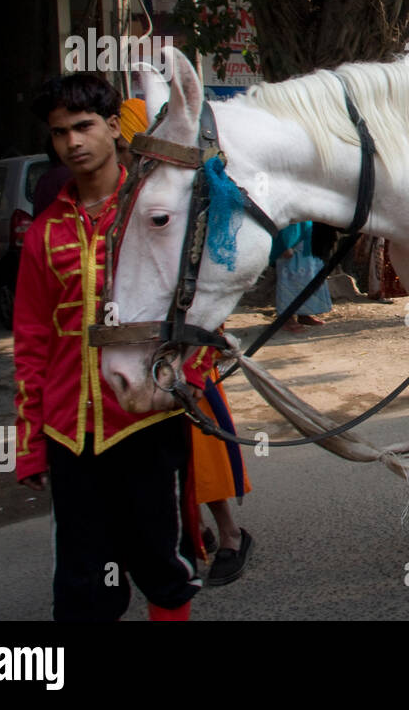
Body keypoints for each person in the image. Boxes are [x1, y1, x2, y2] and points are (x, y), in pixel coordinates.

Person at [14, 74, 201, 620]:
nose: (72, 142)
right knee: (82, 583)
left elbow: (196, 303)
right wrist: (30, 441)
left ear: (114, 128)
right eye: (59, 133)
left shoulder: (154, 214)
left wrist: (192, 377)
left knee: (160, 564)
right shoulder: (43, 234)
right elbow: (30, 339)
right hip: (70, 433)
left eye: (84, 127)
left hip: (144, 420)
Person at [116, 99, 255, 586]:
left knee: (203, 450)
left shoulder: (171, 194)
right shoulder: (121, 199)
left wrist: (196, 360)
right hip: (132, 353)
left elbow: (210, 270)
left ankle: (230, 534)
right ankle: (184, 538)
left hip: (186, 348)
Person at [273, 221, 331, 331]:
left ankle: (304, 314)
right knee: (290, 278)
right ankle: (286, 318)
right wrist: (283, 245)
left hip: (307, 237)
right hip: (290, 236)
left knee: (309, 276)